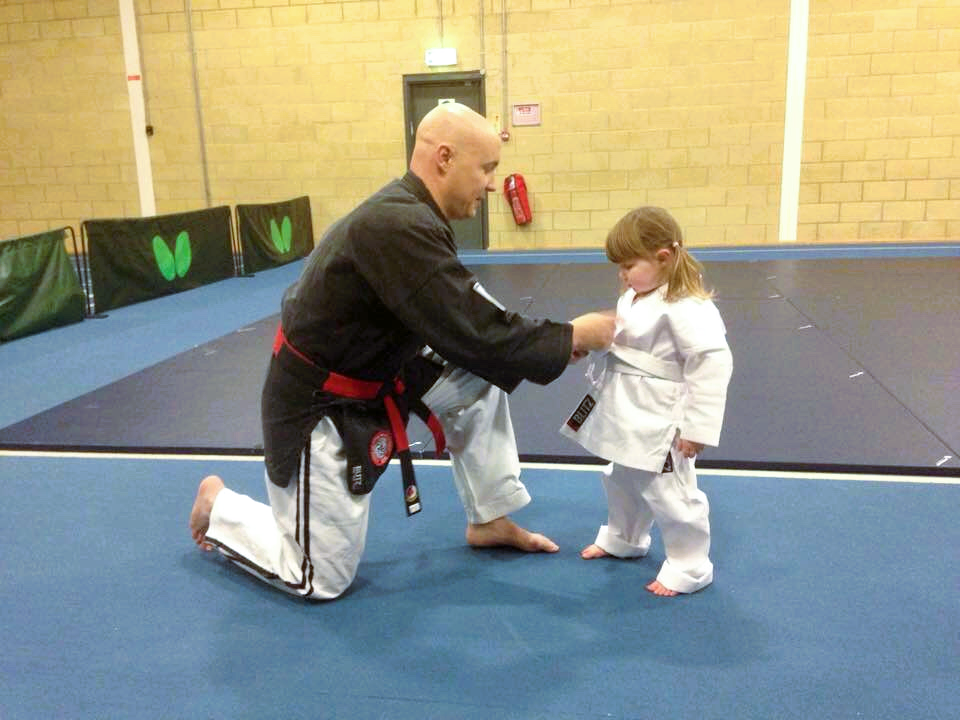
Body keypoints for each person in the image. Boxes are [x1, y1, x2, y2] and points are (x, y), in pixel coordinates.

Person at [189, 102, 615, 600]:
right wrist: (572, 336)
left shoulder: (416, 216)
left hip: (380, 369)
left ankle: (488, 518)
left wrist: (553, 341)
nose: (492, 184)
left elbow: (474, 320)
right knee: (319, 578)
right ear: (444, 158)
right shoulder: (398, 225)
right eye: (486, 169)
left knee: (484, 378)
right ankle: (218, 506)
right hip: (320, 402)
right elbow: (476, 330)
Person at [560, 206, 733, 596]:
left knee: (669, 492)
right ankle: (625, 538)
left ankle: (690, 566)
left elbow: (712, 364)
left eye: (629, 265)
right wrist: (591, 344)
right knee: (620, 478)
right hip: (625, 406)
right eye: (618, 267)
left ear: (664, 257)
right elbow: (622, 342)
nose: (622, 275)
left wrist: (697, 428)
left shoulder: (689, 307)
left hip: (663, 415)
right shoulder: (633, 298)